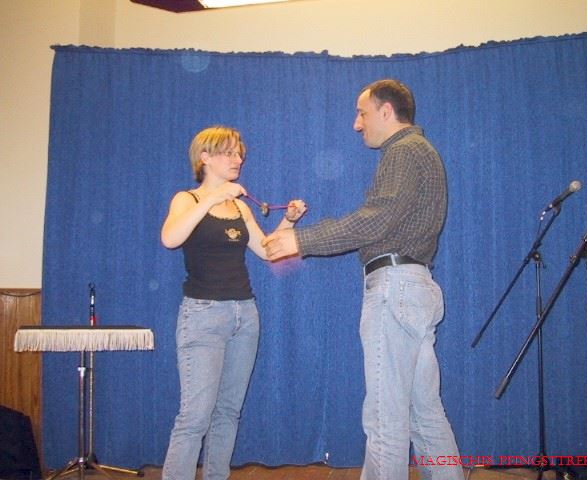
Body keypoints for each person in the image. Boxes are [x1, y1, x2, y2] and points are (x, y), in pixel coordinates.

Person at [263, 79, 463, 480]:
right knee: (425, 414)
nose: (357, 124)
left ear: (386, 111)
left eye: (362, 113)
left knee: (385, 419)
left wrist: (301, 239)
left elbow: (376, 220)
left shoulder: (405, 151)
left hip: (395, 289)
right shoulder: (420, 151)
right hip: (414, 288)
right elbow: (384, 220)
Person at [160, 125, 306, 480]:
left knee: (228, 412)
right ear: (205, 158)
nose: (238, 158)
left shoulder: (240, 207)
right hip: (203, 315)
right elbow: (170, 238)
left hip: (245, 315)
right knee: (195, 416)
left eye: (239, 153)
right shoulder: (187, 199)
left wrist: (288, 221)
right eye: (229, 152)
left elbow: (268, 251)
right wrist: (212, 198)